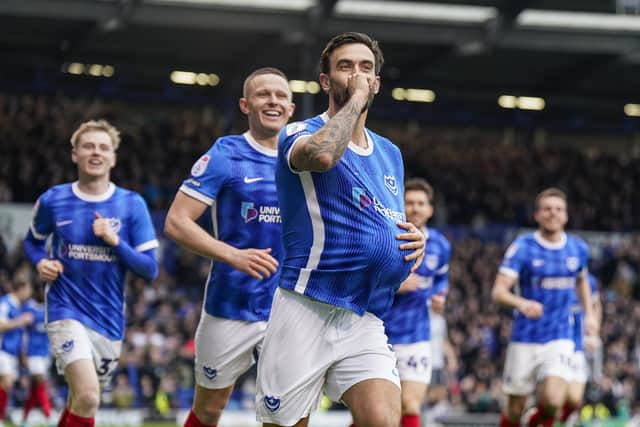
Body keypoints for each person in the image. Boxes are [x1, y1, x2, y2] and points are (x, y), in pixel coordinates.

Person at [255, 32, 426, 427]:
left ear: (378, 83)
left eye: (367, 68)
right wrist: (353, 104)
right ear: (326, 81)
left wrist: (410, 238)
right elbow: (324, 156)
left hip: (363, 314)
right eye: (345, 67)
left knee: (384, 421)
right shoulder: (299, 133)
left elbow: (386, 217)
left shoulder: (390, 153)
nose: (358, 75)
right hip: (306, 304)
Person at [164, 67, 295, 427]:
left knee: (286, 414)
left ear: (292, 107)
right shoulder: (226, 154)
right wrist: (231, 255)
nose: (273, 101)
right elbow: (176, 222)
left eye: (280, 95)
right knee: (208, 411)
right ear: (245, 104)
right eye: (263, 94)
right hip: (230, 305)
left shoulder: (305, 159)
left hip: (290, 309)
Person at [23, 119, 159, 427]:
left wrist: (115, 242)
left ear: (113, 157)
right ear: (75, 155)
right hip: (65, 309)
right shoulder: (53, 200)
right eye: (88, 146)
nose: (95, 153)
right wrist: (39, 263)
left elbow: (149, 269)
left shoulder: (132, 204)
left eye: (103, 148)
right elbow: (32, 242)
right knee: (87, 397)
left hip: (109, 319)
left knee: (79, 401)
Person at [491, 187, 598, 427]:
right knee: (515, 408)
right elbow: (498, 292)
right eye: (547, 209)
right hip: (525, 337)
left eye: (559, 209)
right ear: (537, 215)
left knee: (552, 400)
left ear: (566, 216)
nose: (553, 214)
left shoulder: (577, 248)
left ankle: (536, 419)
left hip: (560, 335)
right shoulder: (523, 247)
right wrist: (522, 303)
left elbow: (581, 281)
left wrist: (589, 314)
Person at [381, 178, 451, 427]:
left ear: (430, 209)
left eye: (421, 203)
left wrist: (440, 295)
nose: (415, 208)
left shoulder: (441, 246)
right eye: (409, 202)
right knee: (379, 415)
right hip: (380, 334)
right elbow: (360, 282)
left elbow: (442, 278)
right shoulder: (386, 238)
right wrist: (394, 286)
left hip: (417, 336)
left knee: (410, 404)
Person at [559, 273, 602, 424]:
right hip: (558, 341)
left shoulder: (590, 281)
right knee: (556, 389)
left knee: (579, 393)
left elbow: (596, 305)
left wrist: (594, 332)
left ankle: (573, 416)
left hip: (580, 342)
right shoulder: (558, 278)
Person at [0, 277, 34, 427]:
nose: (29, 294)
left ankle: (2, 415)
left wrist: (22, 355)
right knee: (6, 382)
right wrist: (21, 320)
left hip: (12, 353)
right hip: (3, 349)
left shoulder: (19, 307)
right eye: (28, 290)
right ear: (21, 289)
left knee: (7, 385)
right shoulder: (6, 303)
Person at [22, 285, 54, 427]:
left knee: (35, 387)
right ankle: (48, 415)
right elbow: (23, 332)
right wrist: (22, 353)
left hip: (45, 353)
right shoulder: (29, 308)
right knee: (41, 381)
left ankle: (25, 418)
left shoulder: (49, 308)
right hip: (32, 352)